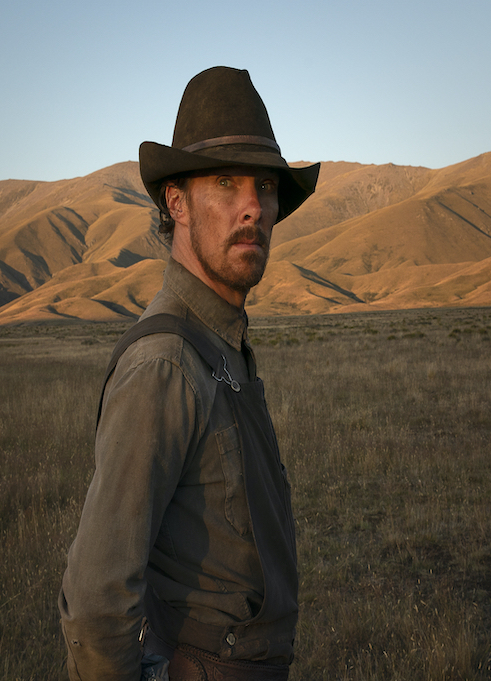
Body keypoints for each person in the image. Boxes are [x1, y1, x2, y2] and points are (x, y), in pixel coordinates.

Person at [59, 66, 320, 681]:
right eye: (225, 184)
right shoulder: (166, 366)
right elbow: (96, 603)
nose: (252, 207)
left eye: (264, 185)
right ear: (176, 201)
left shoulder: (220, 344)